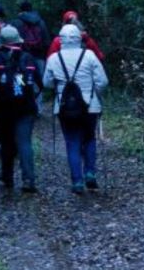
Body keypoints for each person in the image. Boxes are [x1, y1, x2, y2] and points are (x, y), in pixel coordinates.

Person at [43, 24, 109, 194]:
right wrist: (95, 93)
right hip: (90, 106)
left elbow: (47, 83)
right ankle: (90, 173)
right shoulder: (89, 55)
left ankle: (77, 181)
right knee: (89, 139)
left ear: (61, 39)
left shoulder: (54, 58)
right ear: (79, 38)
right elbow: (102, 81)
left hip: (64, 107)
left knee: (72, 142)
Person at [0, 25, 43, 193]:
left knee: (6, 143)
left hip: (3, 109)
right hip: (26, 108)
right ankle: (29, 179)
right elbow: (39, 84)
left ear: (1, 42)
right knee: (25, 143)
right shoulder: (28, 58)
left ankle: (7, 176)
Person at [11, 1, 51, 73]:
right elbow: (47, 42)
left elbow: (12, 42)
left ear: (21, 10)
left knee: (21, 80)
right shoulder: (41, 22)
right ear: (31, 9)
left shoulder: (16, 22)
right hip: (39, 55)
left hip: (21, 56)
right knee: (41, 81)